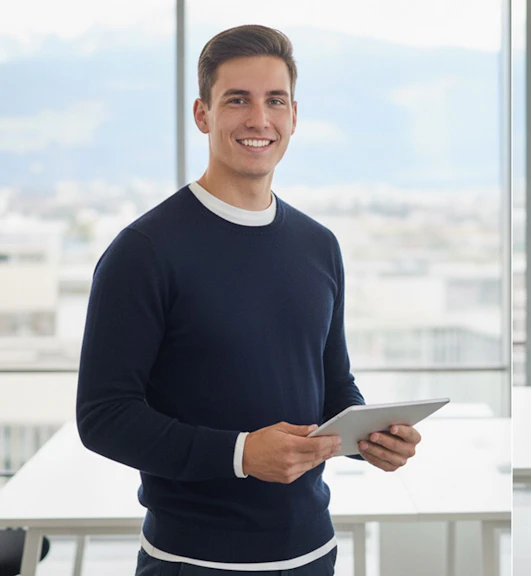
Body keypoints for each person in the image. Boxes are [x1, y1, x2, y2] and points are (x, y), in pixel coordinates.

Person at [76, 25, 421, 575]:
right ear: (202, 114)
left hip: (313, 554)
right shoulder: (143, 251)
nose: (259, 119)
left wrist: (368, 439)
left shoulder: (319, 245)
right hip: (192, 561)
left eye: (274, 101)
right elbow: (103, 417)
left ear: (294, 116)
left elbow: (332, 385)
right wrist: (238, 454)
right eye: (237, 100)